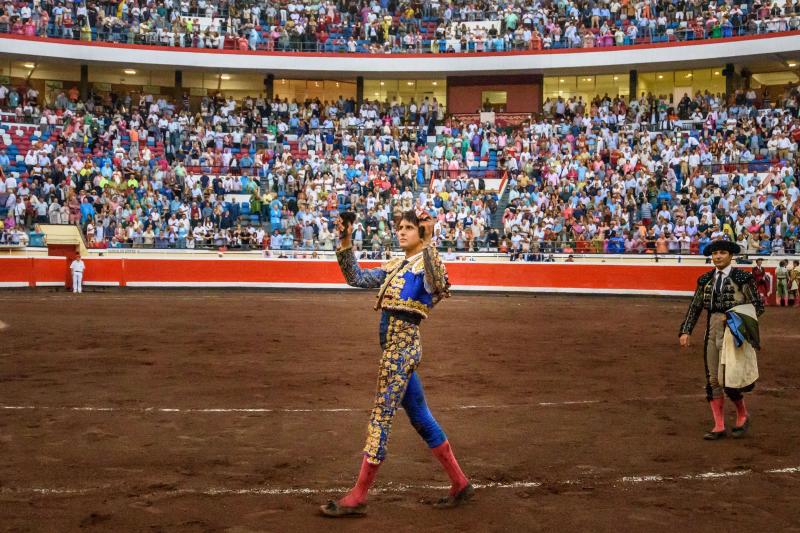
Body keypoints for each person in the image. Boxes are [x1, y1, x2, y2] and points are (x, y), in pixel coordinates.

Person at [320, 210, 472, 518]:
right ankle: (460, 483)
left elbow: (439, 284)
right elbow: (357, 278)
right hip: (394, 349)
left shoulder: (428, 265)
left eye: (408, 228)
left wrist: (430, 241)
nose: (401, 232)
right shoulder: (396, 265)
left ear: (421, 232)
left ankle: (359, 495)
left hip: (400, 352)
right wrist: (346, 237)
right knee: (420, 416)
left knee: (381, 416)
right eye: (399, 228)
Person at [679, 240, 764, 440]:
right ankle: (719, 425)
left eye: (722, 253)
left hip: (734, 331)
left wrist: (736, 317)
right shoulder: (705, 279)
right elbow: (695, 306)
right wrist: (686, 330)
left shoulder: (743, 278)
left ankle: (742, 415)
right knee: (713, 379)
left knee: (730, 379)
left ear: (730, 255)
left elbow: (758, 306)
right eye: (715, 253)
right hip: (713, 327)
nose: (718, 256)